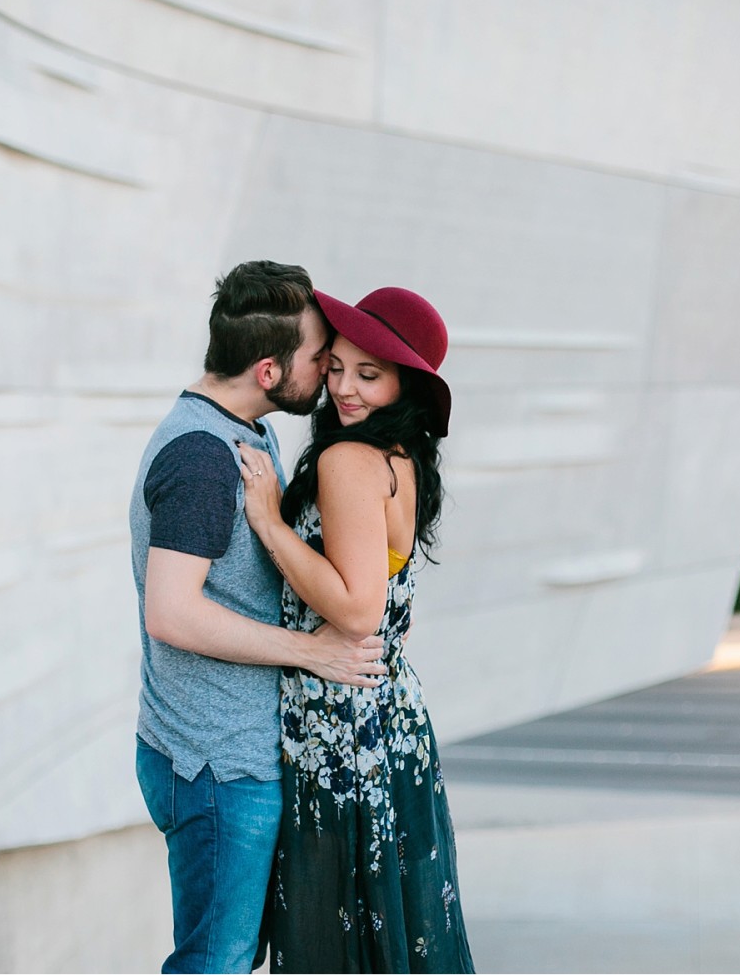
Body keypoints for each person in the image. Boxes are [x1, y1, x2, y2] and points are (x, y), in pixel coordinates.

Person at [129, 261, 389, 975]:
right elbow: (172, 611)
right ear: (271, 370)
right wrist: (310, 650)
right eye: (320, 359)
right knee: (213, 963)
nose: (332, 372)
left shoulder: (240, 430)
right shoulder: (202, 457)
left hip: (226, 753)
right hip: (215, 763)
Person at [236, 287, 476, 973]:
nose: (343, 387)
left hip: (339, 724)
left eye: (369, 374)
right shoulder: (400, 456)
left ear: (406, 382)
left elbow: (356, 608)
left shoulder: (348, 461)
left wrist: (270, 524)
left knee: (332, 942)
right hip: (391, 716)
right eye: (338, 366)